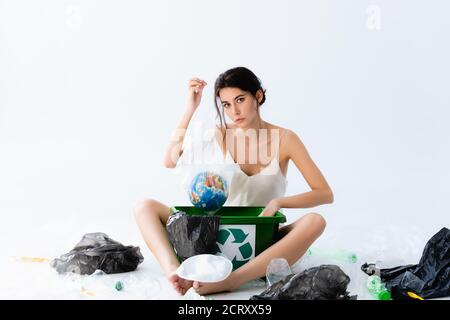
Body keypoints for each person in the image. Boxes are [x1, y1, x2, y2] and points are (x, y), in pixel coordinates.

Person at [134, 67, 334, 296]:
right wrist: (191, 108)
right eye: (226, 104)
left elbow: (324, 193)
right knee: (144, 207)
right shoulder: (218, 133)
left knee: (315, 221)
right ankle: (177, 271)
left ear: (258, 96)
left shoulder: (286, 139)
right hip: (213, 235)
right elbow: (170, 160)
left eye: (240, 99)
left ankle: (233, 280)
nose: (234, 110)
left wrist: (278, 203)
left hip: (261, 240)